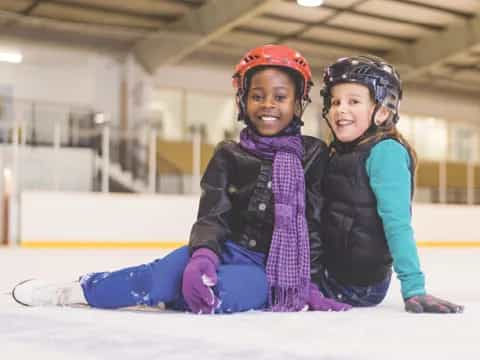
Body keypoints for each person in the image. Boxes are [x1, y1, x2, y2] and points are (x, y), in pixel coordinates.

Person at [12, 45, 350, 314]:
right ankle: (76, 290)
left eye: (280, 97)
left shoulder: (313, 155)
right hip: (222, 249)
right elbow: (212, 213)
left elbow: (314, 223)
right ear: (242, 100)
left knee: (222, 293)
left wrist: (309, 282)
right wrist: (203, 255)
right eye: (257, 95)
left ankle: (171, 296)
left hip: (268, 269)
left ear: (298, 103)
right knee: (156, 277)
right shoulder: (228, 154)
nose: (267, 105)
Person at [314, 55, 463, 313]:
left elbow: (397, 224)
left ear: (383, 111)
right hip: (331, 271)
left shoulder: (386, 153)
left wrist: (414, 288)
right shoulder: (338, 153)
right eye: (336, 101)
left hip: (355, 286)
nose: (341, 109)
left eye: (354, 101)